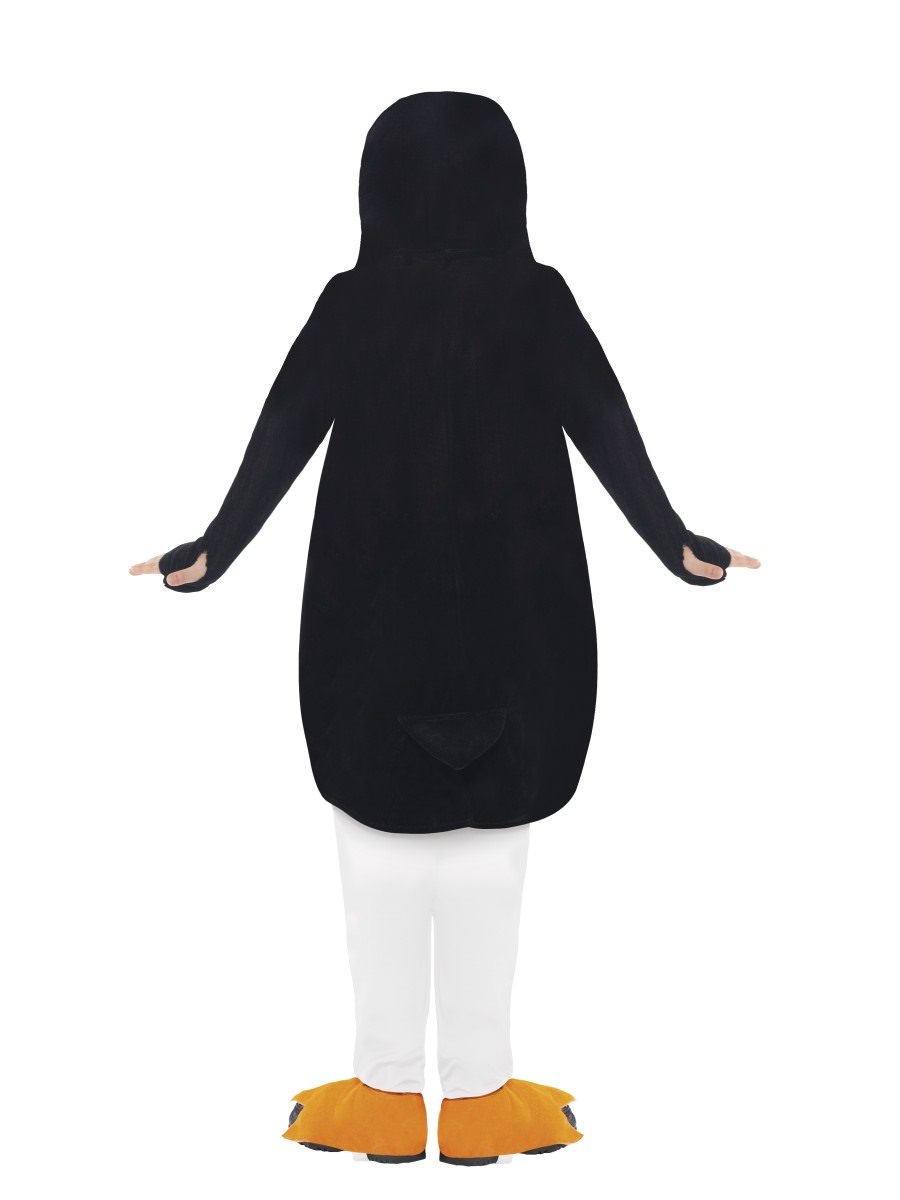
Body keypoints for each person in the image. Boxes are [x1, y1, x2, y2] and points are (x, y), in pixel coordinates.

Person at [130, 90, 760, 1166]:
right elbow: (605, 420)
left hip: (367, 638)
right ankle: (477, 1098)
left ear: (376, 189)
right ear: (510, 186)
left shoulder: (353, 302)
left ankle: (383, 1095)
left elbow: (285, 427)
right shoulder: (538, 300)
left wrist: (213, 549)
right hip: (521, 632)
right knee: (492, 867)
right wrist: (675, 541)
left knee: (374, 860)